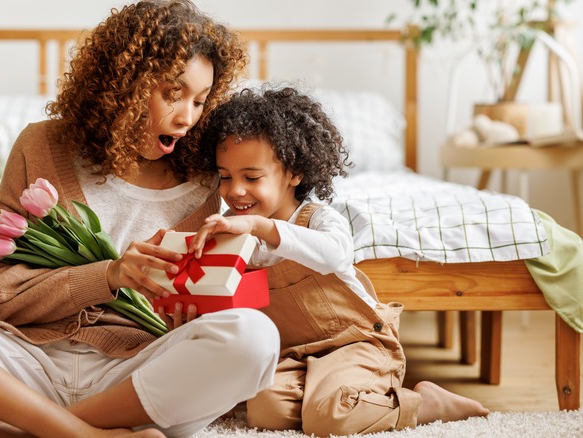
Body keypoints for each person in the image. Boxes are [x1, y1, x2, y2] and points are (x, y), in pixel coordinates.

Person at [0, 2, 280, 437]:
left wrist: (190, 316)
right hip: (18, 367)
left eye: (199, 101)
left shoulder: (210, 178)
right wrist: (108, 275)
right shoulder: (42, 146)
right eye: (172, 93)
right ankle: (82, 435)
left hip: (133, 380)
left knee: (256, 337)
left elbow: (207, 303)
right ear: (125, 82)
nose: (188, 118)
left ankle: (27, 431)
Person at [189, 86, 490, 437]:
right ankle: (334, 398)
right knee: (264, 409)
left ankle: (423, 404)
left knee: (329, 418)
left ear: (294, 173)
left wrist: (263, 227)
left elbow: (334, 254)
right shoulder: (238, 235)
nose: (235, 190)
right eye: (226, 177)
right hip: (296, 354)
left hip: (355, 342)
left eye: (251, 177)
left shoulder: (319, 219)